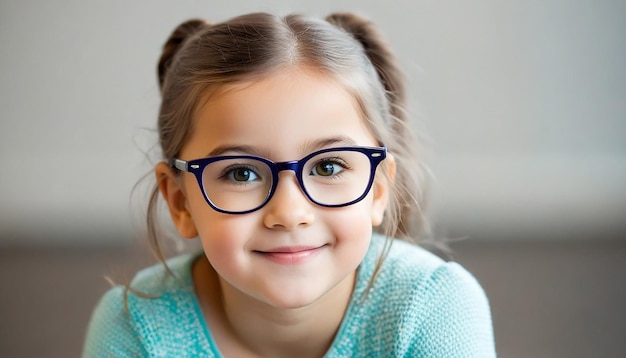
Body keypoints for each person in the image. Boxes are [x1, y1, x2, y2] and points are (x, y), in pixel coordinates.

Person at [83, 12, 496, 357]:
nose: (289, 213)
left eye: (329, 167)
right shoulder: (135, 328)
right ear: (181, 202)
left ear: (378, 189)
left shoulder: (433, 308)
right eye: (241, 173)